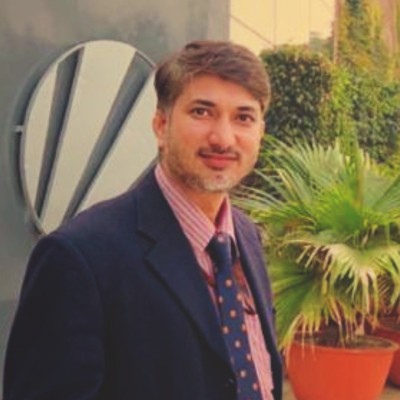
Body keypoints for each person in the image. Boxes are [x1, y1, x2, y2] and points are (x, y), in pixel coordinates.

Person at [3, 40, 282, 400]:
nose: (223, 138)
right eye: (201, 112)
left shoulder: (246, 237)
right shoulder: (80, 258)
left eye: (243, 117)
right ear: (161, 125)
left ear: (260, 131)